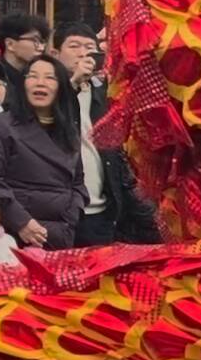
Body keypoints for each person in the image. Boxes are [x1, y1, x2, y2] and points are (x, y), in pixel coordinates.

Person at [0, 54, 87, 250]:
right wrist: (21, 222)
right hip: (14, 235)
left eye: (49, 77)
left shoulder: (68, 130)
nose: (40, 83)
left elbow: (77, 181)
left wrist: (74, 212)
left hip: (60, 233)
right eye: (33, 76)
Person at [55, 27, 157, 246]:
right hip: (58, 212)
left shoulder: (106, 96)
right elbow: (48, 123)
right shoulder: (45, 92)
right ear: (55, 53)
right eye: (74, 46)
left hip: (101, 209)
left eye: (89, 48)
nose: (83, 53)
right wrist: (73, 83)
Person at [0, 13, 51, 84]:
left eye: (42, 42)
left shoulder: (39, 75)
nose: (41, 48)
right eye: (35, 40)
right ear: (10, 44)